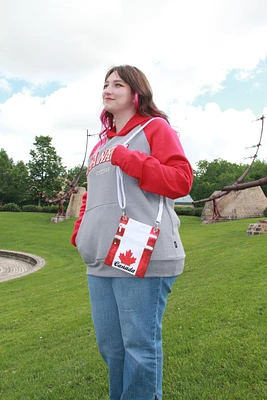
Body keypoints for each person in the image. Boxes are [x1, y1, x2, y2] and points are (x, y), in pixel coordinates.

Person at [71, 65, 193, 400]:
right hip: (99, 259)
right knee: (112, 349)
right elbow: (91, 196)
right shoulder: (100, 148)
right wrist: (81, 232)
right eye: (105, 84)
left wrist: (131, 160)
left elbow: (181, 180)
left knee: (139, 349)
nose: (108, 89)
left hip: (142, 252)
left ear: (136, 92)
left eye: (118, 84)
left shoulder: (155, 128)